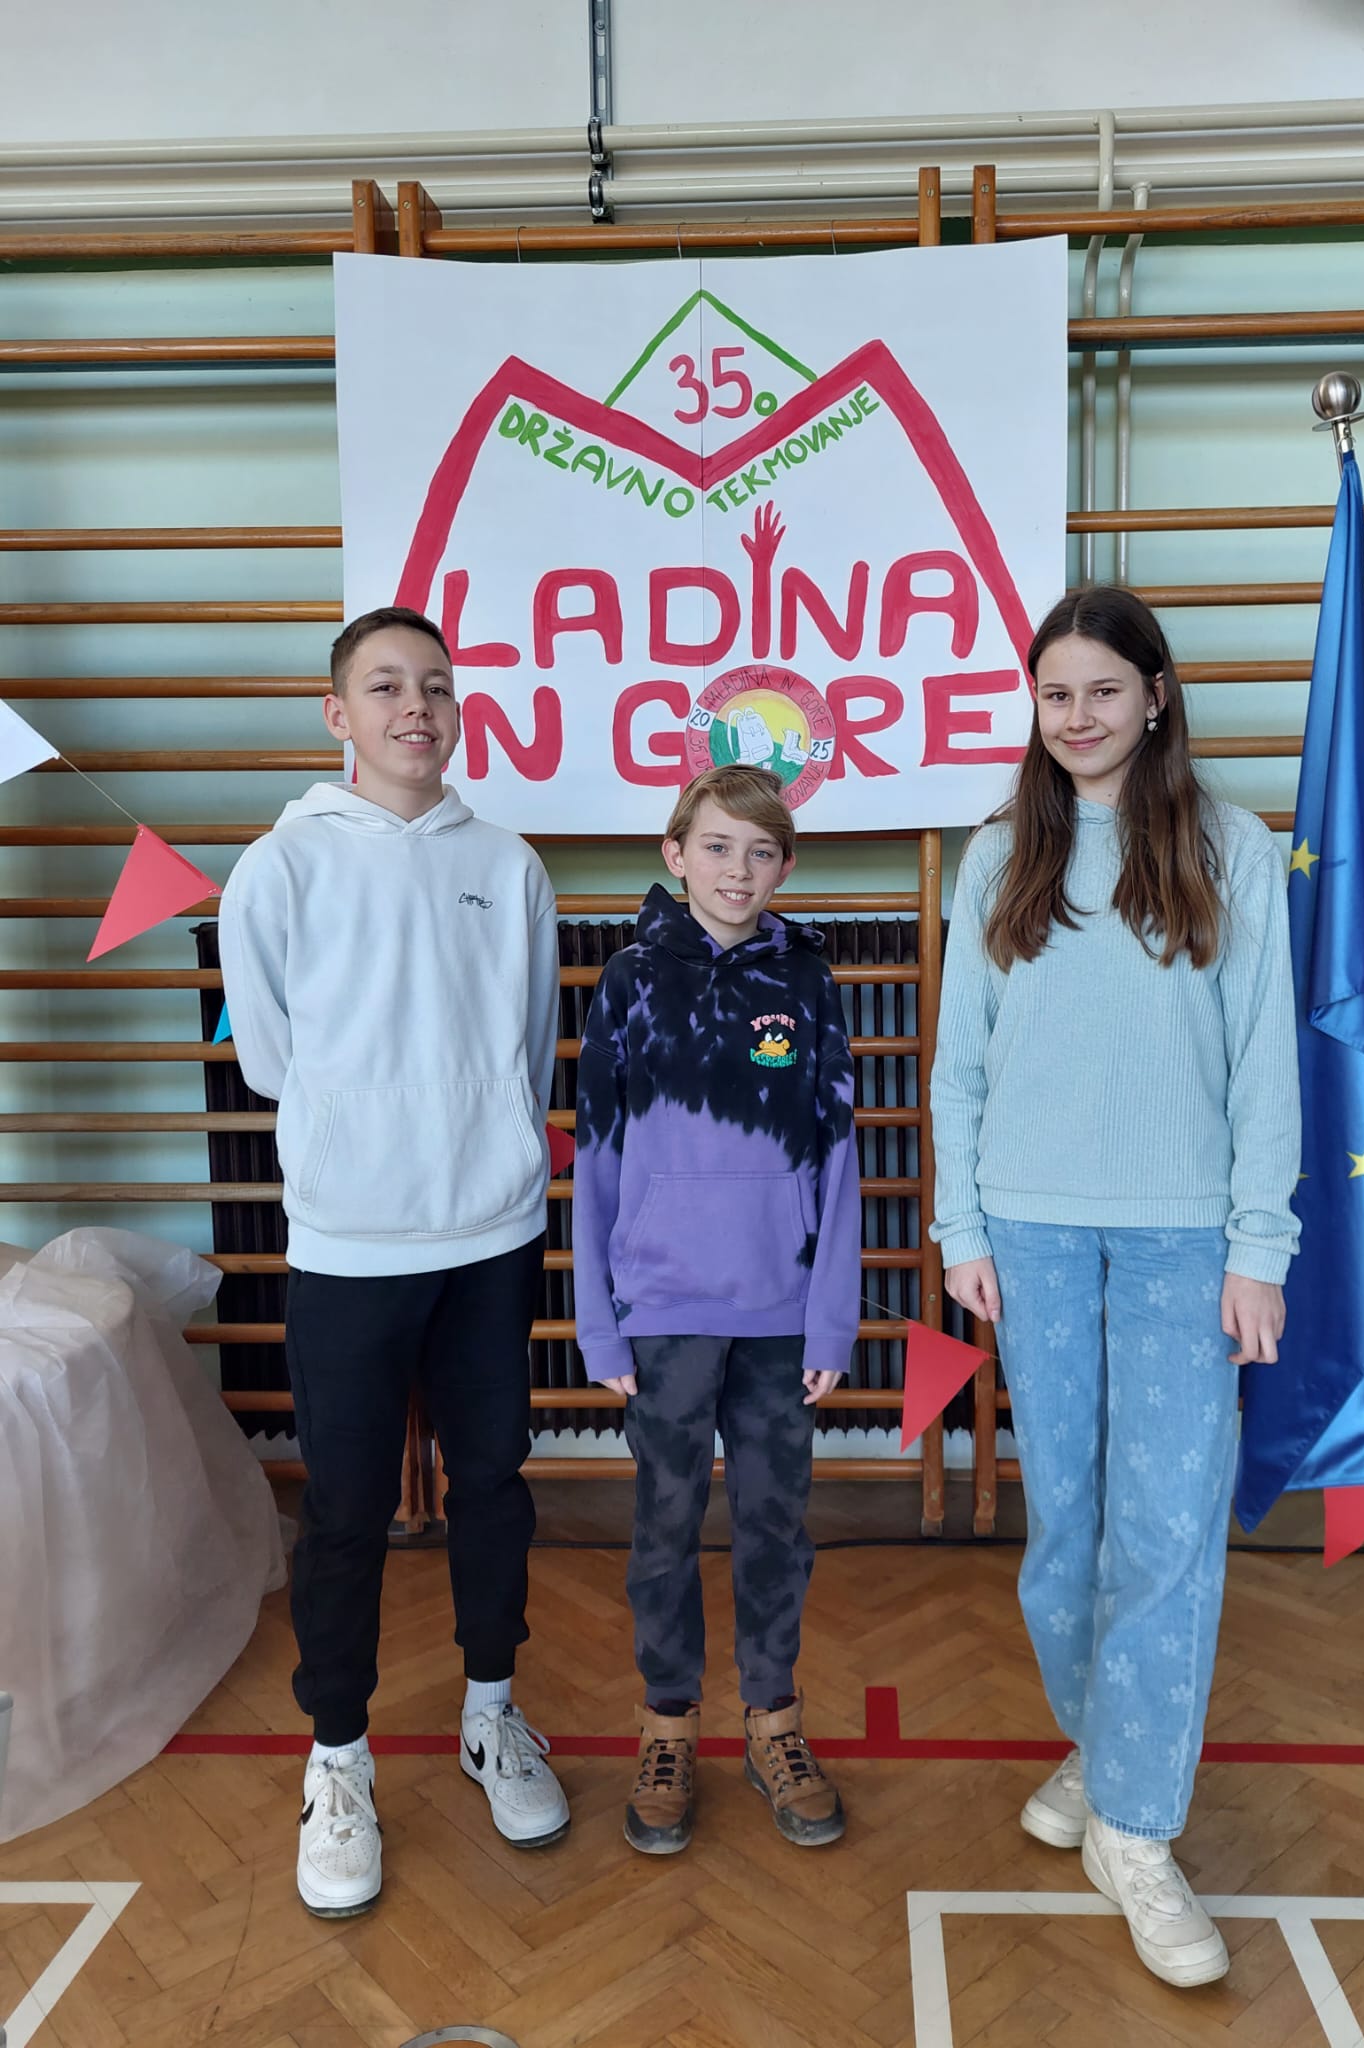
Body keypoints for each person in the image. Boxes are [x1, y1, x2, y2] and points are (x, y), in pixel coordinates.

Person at [930, 587, 1300, 1989]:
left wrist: (1258, 1246)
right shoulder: (997, 855)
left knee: (1166, 1532)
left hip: (1183, 1243)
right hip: (1027, 1235)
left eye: (1101, 689)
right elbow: (959, 1064)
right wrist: (961, 1225)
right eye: (1054, 694)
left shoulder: (1230, 848)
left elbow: (1265, 1061)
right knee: (1069, 1532)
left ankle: (1137, 1827)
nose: (1076, 716)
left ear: (1156, 694)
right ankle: (1105, 1740)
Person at [220, 605, 569, 1919]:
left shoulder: (508, 864)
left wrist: (482, 1141)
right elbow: (270, 1059)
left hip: (490, 1234)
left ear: (457, 708)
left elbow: (527, 1043)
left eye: (434, 683)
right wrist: (369, 1135)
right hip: (350, 1244)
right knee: (348, 1511)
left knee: (493, 1483)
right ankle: (339, 1758)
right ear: (339, 714)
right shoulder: (280, 869)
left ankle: (492, 1712)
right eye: (384, 686)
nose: (414, 705)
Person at [574, 764, 860, 1856]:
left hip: (783, 1312)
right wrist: (599, 1321)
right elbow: (596, 1161)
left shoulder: (809, 981)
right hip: (662, 1310)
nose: (738, 870)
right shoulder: (628, 981)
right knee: (665, 1526)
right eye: (717, 846)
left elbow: (840, 1158)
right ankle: (668, 1725)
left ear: (784, 865)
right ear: (675, 853)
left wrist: (831, 1319)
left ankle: (774, 1720)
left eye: (761, 851)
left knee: (776, 1527)